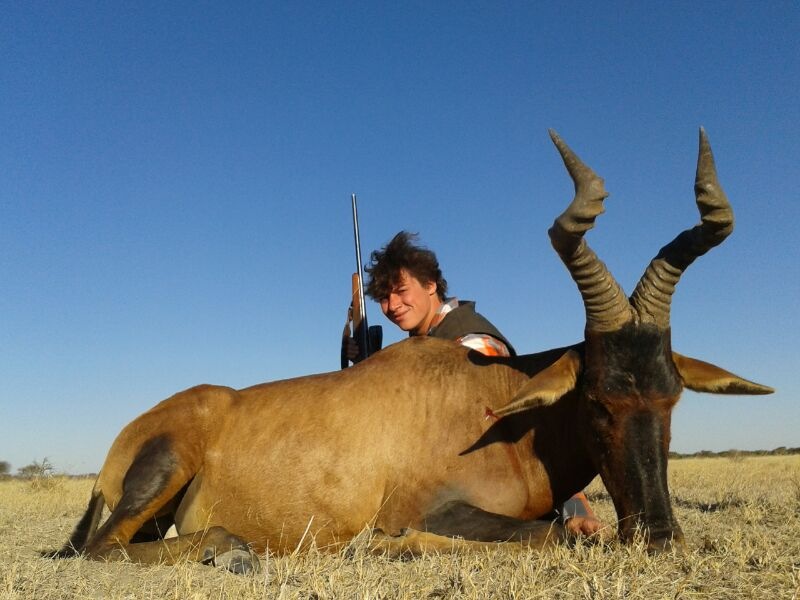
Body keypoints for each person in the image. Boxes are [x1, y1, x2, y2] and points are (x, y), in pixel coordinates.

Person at [350, 230, 602, 537]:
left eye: (401, 291)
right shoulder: (426, 342)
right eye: (384, 298)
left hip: (479, 492)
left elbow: (511, 437)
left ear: (430, 284)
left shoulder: (473, 345)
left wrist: (574, 507)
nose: (392, 305)